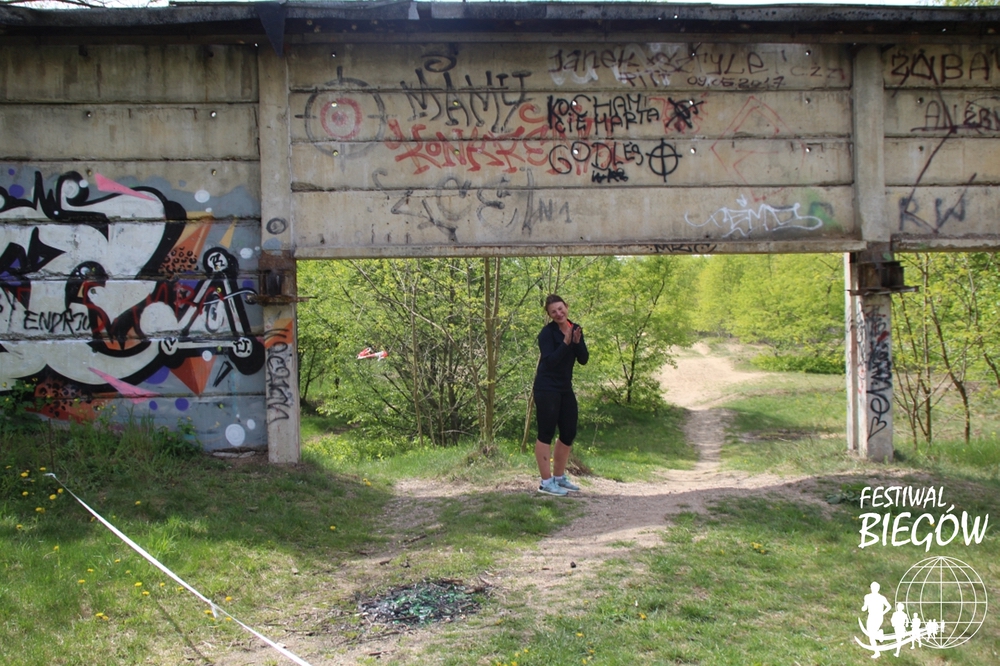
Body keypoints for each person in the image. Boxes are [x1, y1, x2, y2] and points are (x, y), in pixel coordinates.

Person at [532, 294, 588, 496]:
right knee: (546, 433)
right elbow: (549, 363)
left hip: (565, 388)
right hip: (546, 388)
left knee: (568, 432)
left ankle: (558, 477)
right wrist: (565, 343)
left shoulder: (575, 328)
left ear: (566, 307)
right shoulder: (547, 334)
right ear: (549, 315)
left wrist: (576, 342)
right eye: (553, 311)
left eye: (560, 308)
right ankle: (546, 483)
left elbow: (583, 359)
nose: (558, 313)